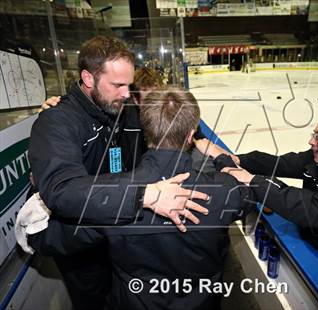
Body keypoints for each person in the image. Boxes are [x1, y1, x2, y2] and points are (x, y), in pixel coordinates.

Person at [28, 36, 208, 310]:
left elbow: (177, 127)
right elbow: (62, 190)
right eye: (118, 85)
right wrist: (142, 195)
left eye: (129, 84)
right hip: (81, 243)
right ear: (88, 79)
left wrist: (226, 160)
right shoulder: (57, 121)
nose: (127, 93)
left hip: (119, 233)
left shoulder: (122, 108)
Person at [35, 87, 255, 309]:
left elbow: (44, 238)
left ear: (145, 129)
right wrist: (224, 161)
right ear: (191, 134)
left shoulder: (110, 197)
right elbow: (264, 195)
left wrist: (40, 182)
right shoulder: (225, 190)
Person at [196, 107, 318, 302]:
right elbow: (281, 163)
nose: (311, 141)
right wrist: (238, 160)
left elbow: (315, 210)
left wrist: (252, 180)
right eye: (314, 134)